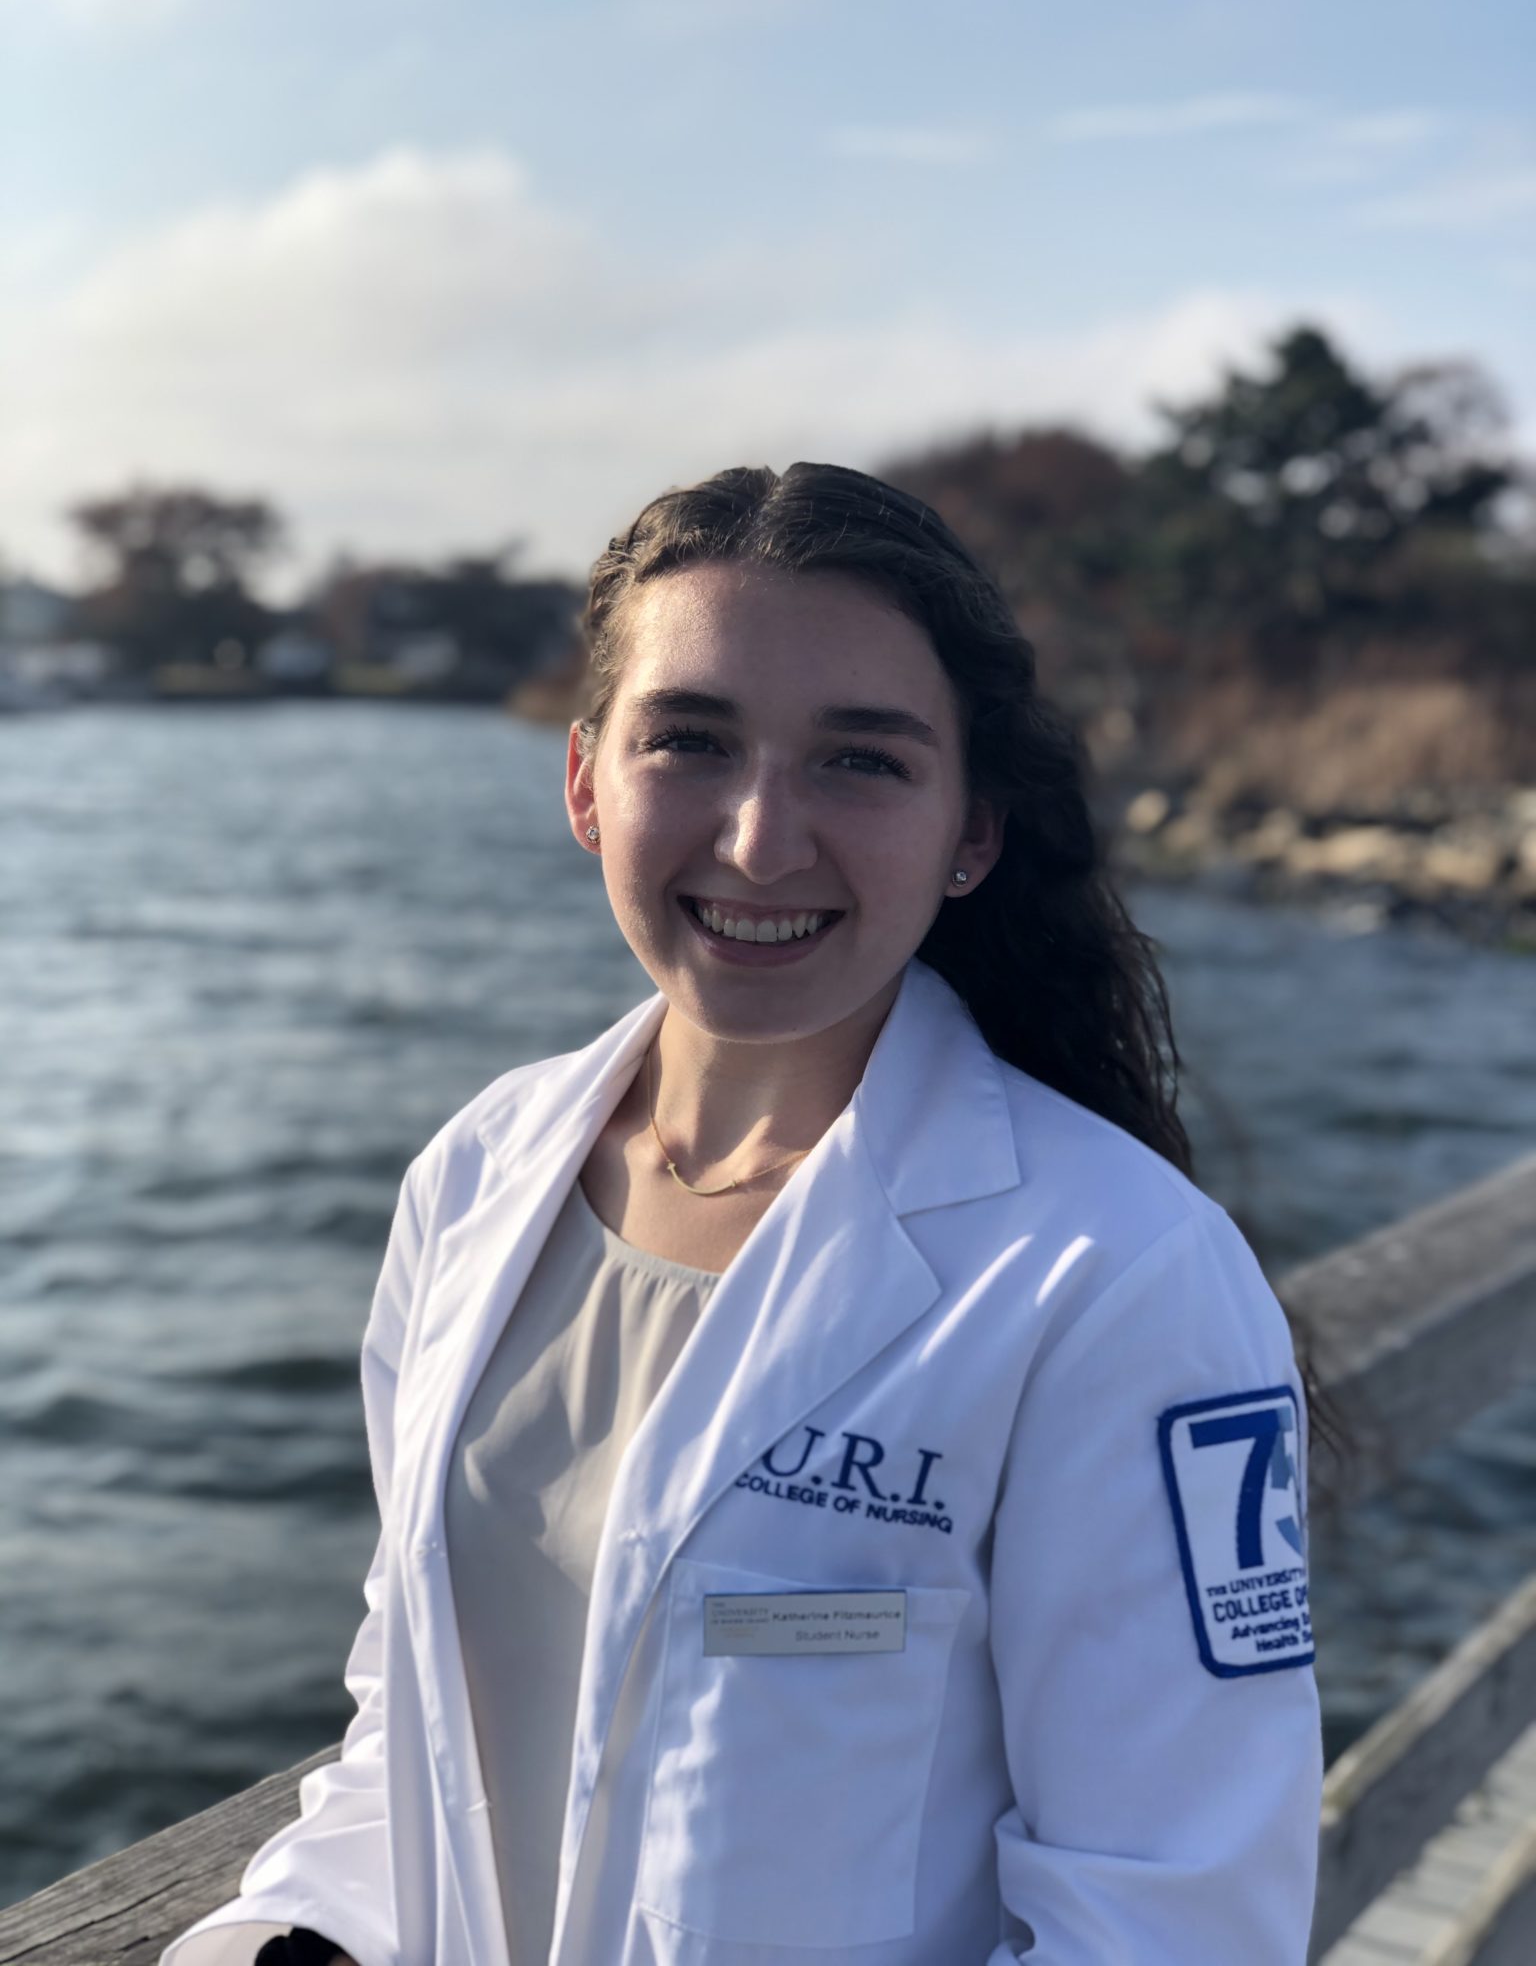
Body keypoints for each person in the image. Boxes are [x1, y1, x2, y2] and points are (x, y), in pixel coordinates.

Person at [163, 461, 1325, 1966]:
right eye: (691, 742)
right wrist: (285, 1936)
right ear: (586, 781)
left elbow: (1184, 1927)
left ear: (973, 829)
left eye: (863, 763)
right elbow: (418, 1727)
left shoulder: (1121, 1280)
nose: (762, 842)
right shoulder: (475, 1177)